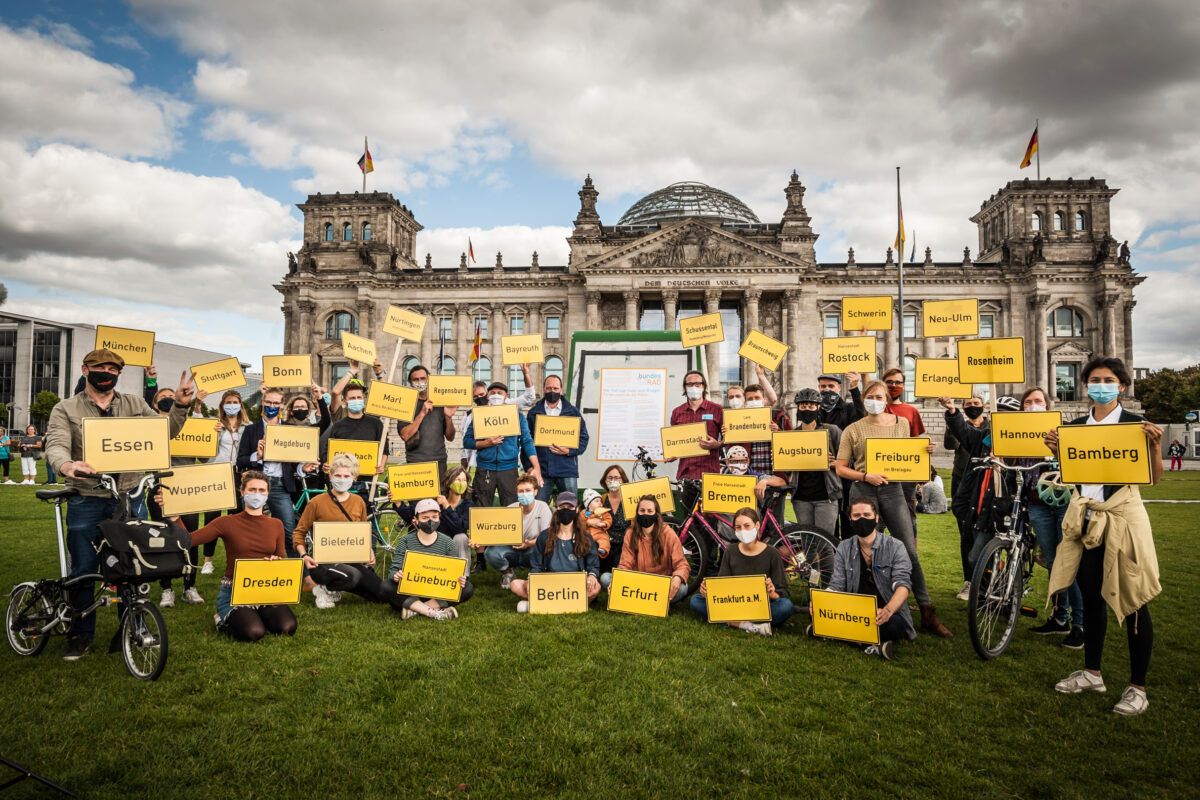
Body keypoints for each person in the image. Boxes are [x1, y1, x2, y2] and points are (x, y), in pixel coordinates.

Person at [45, 349, 189, 660]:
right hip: (87, 498)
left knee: (133, 568)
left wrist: (180, 405)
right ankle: (80, 634)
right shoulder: (65, 408)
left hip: (129, 498)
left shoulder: (136, 404)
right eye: (100, 367)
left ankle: (133, 628)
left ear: (120, 374)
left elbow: (165, 433)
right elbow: (56, 443)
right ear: (85, 369)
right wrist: (67, 465)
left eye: (113, 368)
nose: (106, 372)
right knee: (84, 569)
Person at [1044, 357, 1162, 715]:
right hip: (1087, 520)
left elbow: (1153, 480)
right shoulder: (1076, 426)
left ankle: (1137, 686)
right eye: (1094, 379)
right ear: (1085, 385)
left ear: (1121, 386)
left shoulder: (1136, 425)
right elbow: (1078, 475)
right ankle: (1092, 672)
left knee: (1134, 599)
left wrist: (1155, 448)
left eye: (1109, 379)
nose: (1101, 384)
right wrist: (1057, 452)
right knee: (1092, 599)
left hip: (1124, 519)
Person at [835, 380, 951, 638]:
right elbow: (841, 467)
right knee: (862, 549)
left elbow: (906, 456)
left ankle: (927, 610)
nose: (874, 399)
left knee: (909, 551)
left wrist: (924, 451)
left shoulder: (902, 424)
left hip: (893, 490)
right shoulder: (853, 429)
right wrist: (866, 476)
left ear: (886, 400)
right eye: (870, 395)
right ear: (863, 398)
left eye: (879, 396)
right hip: (863, 491)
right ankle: (859, 605)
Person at [181, 471, 298, 642]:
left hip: (265, 589)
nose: (256, 494)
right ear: (242, 492)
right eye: (252, 489)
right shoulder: (226, 522)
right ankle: (222, 620)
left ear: (267, 494)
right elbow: (190, 540)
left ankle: (256, 613)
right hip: (234, 592)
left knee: (287, 627)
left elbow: (281, 557)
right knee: (253, 632)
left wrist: (276, 562)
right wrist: (175, 516)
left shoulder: (276, 524)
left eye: (261, 490)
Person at [293, 454, 398, 610]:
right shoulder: (316, 502)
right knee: (353, 577)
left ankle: (348, 583)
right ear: (330, 476)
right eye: (338, 475)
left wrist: (368, 551)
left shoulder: (358, 502)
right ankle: (324, 589)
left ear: (354, 477)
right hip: (322, 562)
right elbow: (299, 533)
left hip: (351, 559)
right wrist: (304, 555)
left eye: (346, 476)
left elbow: (363, 532)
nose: (342, 479)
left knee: (381, 594)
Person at [819, 496, 916, 660]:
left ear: (876, 518)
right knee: (818, 611)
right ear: (850, 519)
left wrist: (887, 610)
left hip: (885, 613)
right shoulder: (844, 547)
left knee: (895, 626)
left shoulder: (895, 546)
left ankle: (838, 635)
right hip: (855, 612)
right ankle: (871, 643)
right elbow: (836, 584)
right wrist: (822, 603)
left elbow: (903, 586)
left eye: (866, 514)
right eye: (856, 516)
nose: (861, 519)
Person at [237, 386, 320, 559]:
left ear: (282, 405)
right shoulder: (251, 430)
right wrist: (257, 456)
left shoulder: (290, 429)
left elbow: (295, 461)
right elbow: (241, 461)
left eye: (276, 403)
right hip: (256, 484)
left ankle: (299, 572)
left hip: (280, 486)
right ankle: (248, 566)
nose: (272, 406)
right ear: (262, 402)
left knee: (289, 530)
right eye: (268, 402)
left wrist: (302, 468)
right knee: (250, 531)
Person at [689, 507, 793, 636]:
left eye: (747, 526)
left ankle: (731, 621)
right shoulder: (730, 551)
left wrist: (773, 594)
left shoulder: (772, 554)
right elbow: (722, 585)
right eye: (738, 527)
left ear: (757, 525)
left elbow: (783, 593)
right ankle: (748, 625)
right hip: (735, 605)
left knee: (785, 606)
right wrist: (709, 592)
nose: (743, 530)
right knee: (696, 600)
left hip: (760, 607)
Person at [152, 387, 205, 608]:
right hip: (160, 489)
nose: (168, 400)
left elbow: (203, 456)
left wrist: (210, 435)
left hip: (188, 488)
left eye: (172, 398)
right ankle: (166, 589)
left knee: (191, 538)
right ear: (155, 404)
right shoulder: (150, 427)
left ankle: (189, 586)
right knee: (162, 539)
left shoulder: (190, 424)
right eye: (163, 398)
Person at [510, 492, 601, 611]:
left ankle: (543, 604)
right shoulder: (544, 536)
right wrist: (531, 579)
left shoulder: (585, 537)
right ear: (556, 509)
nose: (566, 511)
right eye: (562, 507)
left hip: (575, 584)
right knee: (515, 585)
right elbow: (536, 565)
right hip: (550, 583)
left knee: (596, 587)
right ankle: (573, 605)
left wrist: (592, 576)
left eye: (570, 508)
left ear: (577, 509)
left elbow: (593, 564)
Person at [388, 498, 474, 620]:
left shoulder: (448, 542)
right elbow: (393, 571)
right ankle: (435, 612)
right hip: (412, 589)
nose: (430, 521)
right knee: (386, 586)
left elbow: (453, 573)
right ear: (416, 520)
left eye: (434, 517)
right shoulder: (406, 541)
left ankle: (417, 609)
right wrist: (396, 576)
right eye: (424, 518)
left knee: (467, 588)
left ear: (439, 517)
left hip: (437, 592)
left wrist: (459, 579)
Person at [941, 394, 991, 601]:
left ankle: (988, 580)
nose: (972, 407)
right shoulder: (959, 424)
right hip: (963, 479)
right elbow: (950, 445)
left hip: (987, 481)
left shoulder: (991, 427)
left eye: (976, 404)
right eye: (968, 404)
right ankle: (970, 582)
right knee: (966, 532)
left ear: (984, 406)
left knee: (987, 533)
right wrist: (954, 418)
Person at [462, 381, 542, 508]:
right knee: (481, 508)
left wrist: (536, 467)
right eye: (493, 393)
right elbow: (467, 441)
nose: (496, 396)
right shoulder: (479, 416)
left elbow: (527, 442)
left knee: (512, 508)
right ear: (488, 396)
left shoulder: (517, 416)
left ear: (506, 396)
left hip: (509, 469)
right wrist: (485, 443)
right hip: (484, 469)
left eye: (499, 393)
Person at [200, 389, 252, 574]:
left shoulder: (248, 426)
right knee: (211, 517)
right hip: (217, 472)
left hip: (238, 474)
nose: (232, 405)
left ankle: (237, 558)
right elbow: (205, 455)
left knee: (236, 517)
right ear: (223, 406)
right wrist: (213, 435)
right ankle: (208, 560)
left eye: (235, 402)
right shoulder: (216, 425)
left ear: (240, 405)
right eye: (228, 402)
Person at [604, 495, 689, 605]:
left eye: (650, 511)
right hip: (637, 584)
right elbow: (625, 563)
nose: (646, 514)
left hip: (661, 584)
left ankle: (639, 602)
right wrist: (619, 579)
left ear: (656, 514)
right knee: (606, 578)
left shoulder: (669, 533)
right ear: (637, 513)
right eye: (642, 510)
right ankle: (654, 603)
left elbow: (682, 564)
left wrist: (677, 577)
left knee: (683, 588)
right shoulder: (630, 533)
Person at [319, 379, 389, 500]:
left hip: (368, 483)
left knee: (367, 517)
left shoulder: (376, 424)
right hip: (343, 481)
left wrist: (381, 465)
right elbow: (329, 450)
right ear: (344, 401)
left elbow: (384, 449)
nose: (356, 400)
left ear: (363, 399)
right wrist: (326, 464)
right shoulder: (338, 425)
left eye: (359, 397)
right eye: (352, 398)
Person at [786, 388, 842, 539]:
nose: (807, 410)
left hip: (826, 497)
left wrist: (834, 463)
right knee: (807, 543)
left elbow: (847, 461)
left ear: (818, 407)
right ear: (797, 408)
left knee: (826, 542)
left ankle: (828, 564)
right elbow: (787, 469)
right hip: (801, 498)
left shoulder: (832, 431)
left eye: (811, 406)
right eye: (803, 406)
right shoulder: (791, 436)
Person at [665, 370, 723, 514]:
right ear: (685, 388)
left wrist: (718, 445)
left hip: (710, 474)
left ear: (704, 387)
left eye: (697, 384)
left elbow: (729, 439)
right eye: (689, 384)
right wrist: (673, 454)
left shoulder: (717, 410)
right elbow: (676, 443)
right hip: (686, 475)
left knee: (710, 521)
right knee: (688, 521)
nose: (693, 387)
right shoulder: (677, 413)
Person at [528, 374, 590, 503]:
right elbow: (526, 442)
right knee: (540, 508)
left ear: (561, 390)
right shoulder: (533, 413)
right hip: (542, 470)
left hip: (566, 469)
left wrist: (569, 451)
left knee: (570, 507)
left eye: (555, 388)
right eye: (549, 388)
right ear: (544, 389)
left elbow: (584, 438)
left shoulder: (573, 412)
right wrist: (530, 467)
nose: (552, 391)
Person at [484, 473, 552, 588]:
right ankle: (508, 574)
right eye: (521, 491)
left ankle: (534, 574)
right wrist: (479, 539)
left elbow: (547, 537)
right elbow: (497, 533)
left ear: (535, 491)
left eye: (528, 490)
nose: (524, 494)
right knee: (490, 553)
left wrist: (529, 543)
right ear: (516, 492)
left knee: (548, 549)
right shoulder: (510, 509)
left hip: (532, 549)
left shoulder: (543, 507)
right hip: (511, 548)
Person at [399, 364, 457, 478]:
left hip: (439, 462)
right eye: (415, 379)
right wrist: (422, 413)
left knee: (439, 496)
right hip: (415, 462)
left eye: (423, 378)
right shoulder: (406, 404)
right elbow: (405, 435)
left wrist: (449, 418)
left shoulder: (440, 402)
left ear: (429, 379)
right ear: (410, 382)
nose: (419, 382)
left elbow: (450, 437)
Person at [435, 465, 473, 563]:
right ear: (448, 482)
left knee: (461, 537)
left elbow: (460, 527)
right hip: (438, 542)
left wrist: (447, 507)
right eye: (458, 479)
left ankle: (464, 576)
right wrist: (398, 504)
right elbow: (414, 515)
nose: (461, 483)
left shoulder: (468, 504)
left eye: (464, 480)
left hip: (458, 545)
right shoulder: (438, 501)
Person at [598, 464, 632, 575]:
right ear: (605, 480)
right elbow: (588, 516)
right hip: (605, 544)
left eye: (617, 477)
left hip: (625, 546)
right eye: (610, 477)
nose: (613, 480)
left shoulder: (630, 500)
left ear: (623, 480)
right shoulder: (600, 499)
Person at [580, 488, 612, 563]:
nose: (600, 503)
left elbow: (608, 519)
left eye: (601, 501)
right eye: (597, 501)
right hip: (586, 534)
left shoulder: (603, 512)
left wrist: (604, 524)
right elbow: (579, 522)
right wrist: (587, 522)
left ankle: (603, 550)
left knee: (605, 539)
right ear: (588, 504)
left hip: (599, 533)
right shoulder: (583, 513)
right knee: (581, 540)